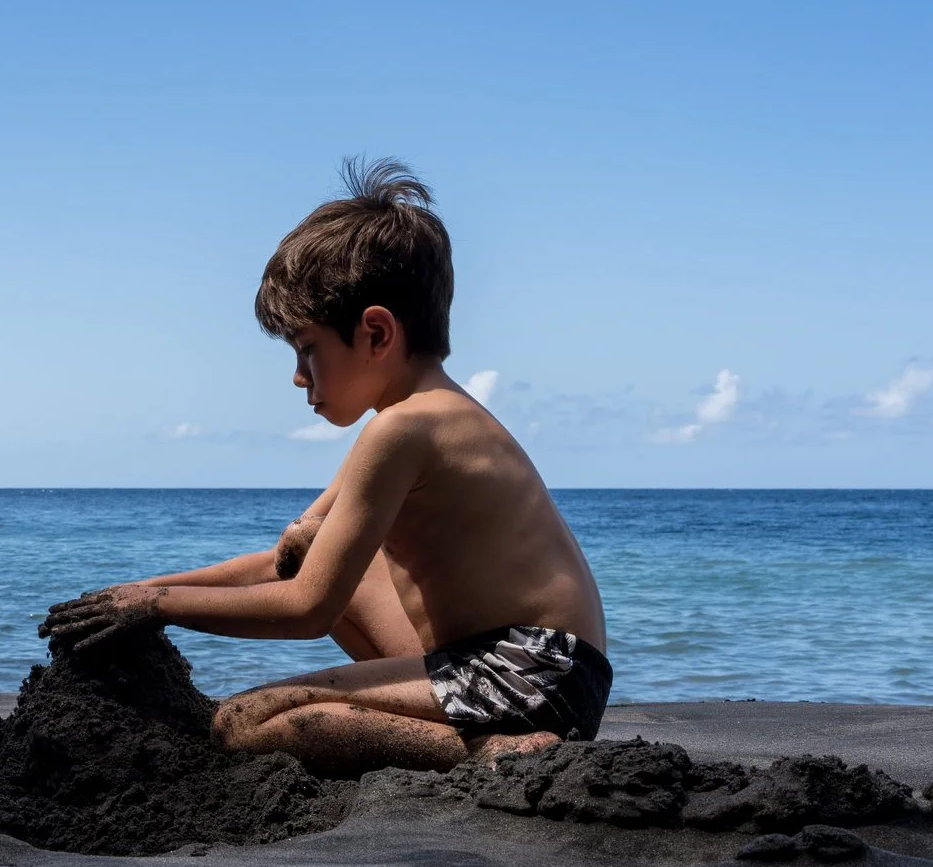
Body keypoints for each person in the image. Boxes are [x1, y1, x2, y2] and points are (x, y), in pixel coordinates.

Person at [39, 158, 609, 775]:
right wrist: (142, 591)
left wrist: (158, 609)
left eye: (308, 349)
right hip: (506, 662)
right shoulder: (401, 421)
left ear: (376, 333)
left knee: (245, 723)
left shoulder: (408, 427)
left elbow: (308, 608)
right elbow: (288, 563)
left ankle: (486, 751)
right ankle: (459, 731)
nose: (297, 375)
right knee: (312, 548)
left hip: (530, 671)